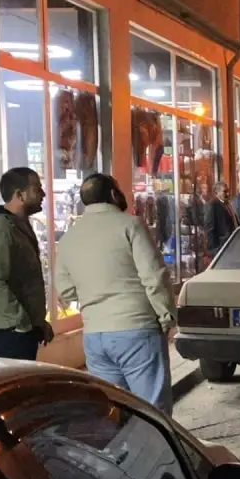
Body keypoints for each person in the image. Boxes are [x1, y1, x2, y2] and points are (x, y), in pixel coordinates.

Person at [56, 173, 177, 414]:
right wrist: (167, 316)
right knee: (153, 411)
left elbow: (66, 290)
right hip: (136, 330)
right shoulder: (130, 225)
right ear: (114, 194)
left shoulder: (69, 237)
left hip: (95, 336)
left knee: (114, 411)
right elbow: (154, 276)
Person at [0, 166, 54, 359]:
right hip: (8, 333)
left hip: (20, 329)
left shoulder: (19, 225)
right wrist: (21, 321)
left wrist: (38, 322)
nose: (43, 194)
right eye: (37, 188)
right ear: (20, 195)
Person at [204, 181, 238, 253]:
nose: (228, 194)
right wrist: (215, 248)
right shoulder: (212, 205)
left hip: (231, 243)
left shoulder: (228, 204)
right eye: (225, 191)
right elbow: (210, 228)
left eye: (228, 191)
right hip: (220, 246)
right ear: (216, 192)